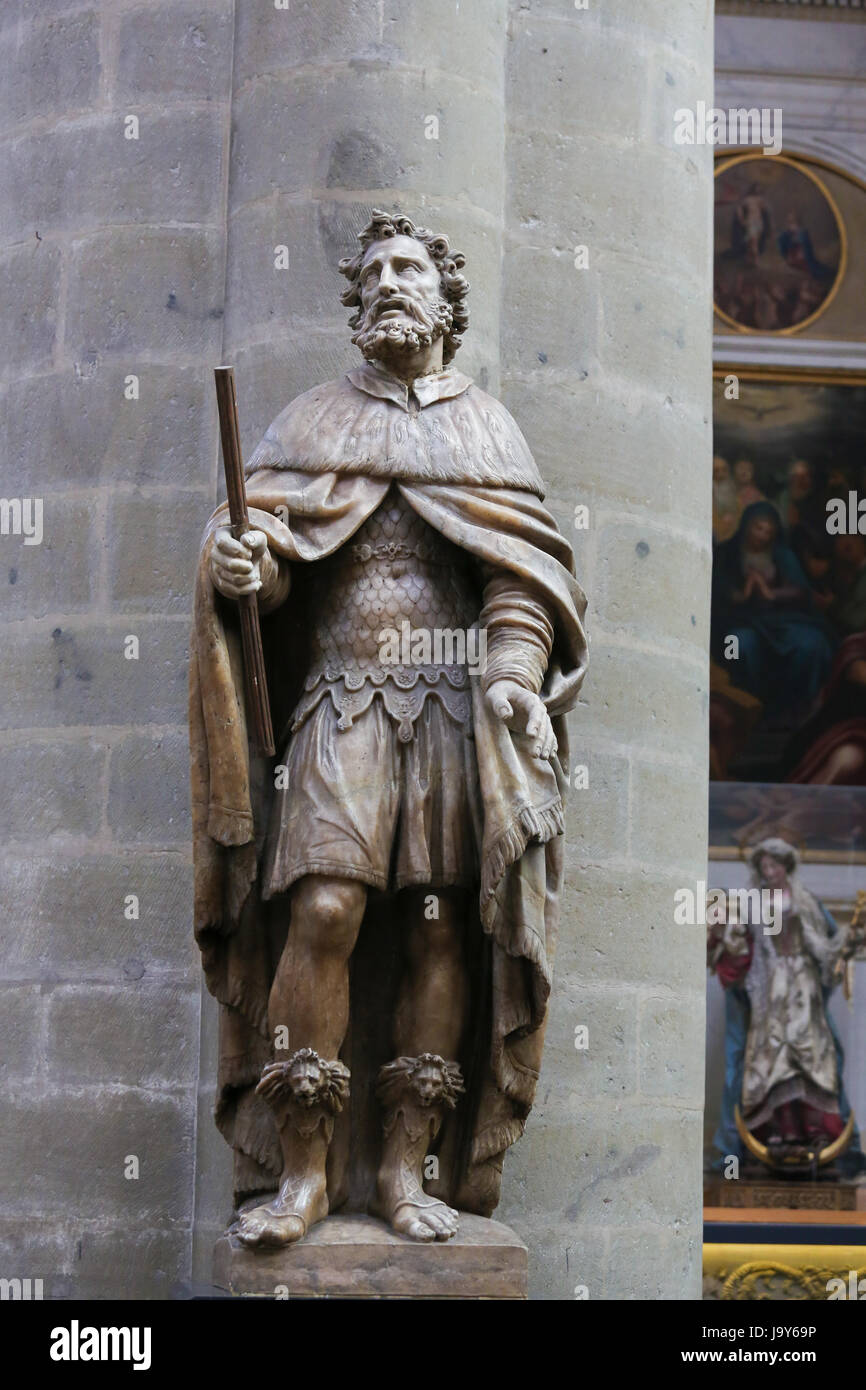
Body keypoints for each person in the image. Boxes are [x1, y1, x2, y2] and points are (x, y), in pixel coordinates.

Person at [190, 210, 587, 1247]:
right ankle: (306, 1171)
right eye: (371, 272)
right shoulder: (310, 421)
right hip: (340, 699)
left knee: (440, 928)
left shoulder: (488, 430)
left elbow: (521, 582)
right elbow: (269, 558)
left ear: (446, 298)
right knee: (320, 910)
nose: (389, 284)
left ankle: (405, 1168)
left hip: (453, 709)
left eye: (409, 268)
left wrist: (511, 677)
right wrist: (243, 566)